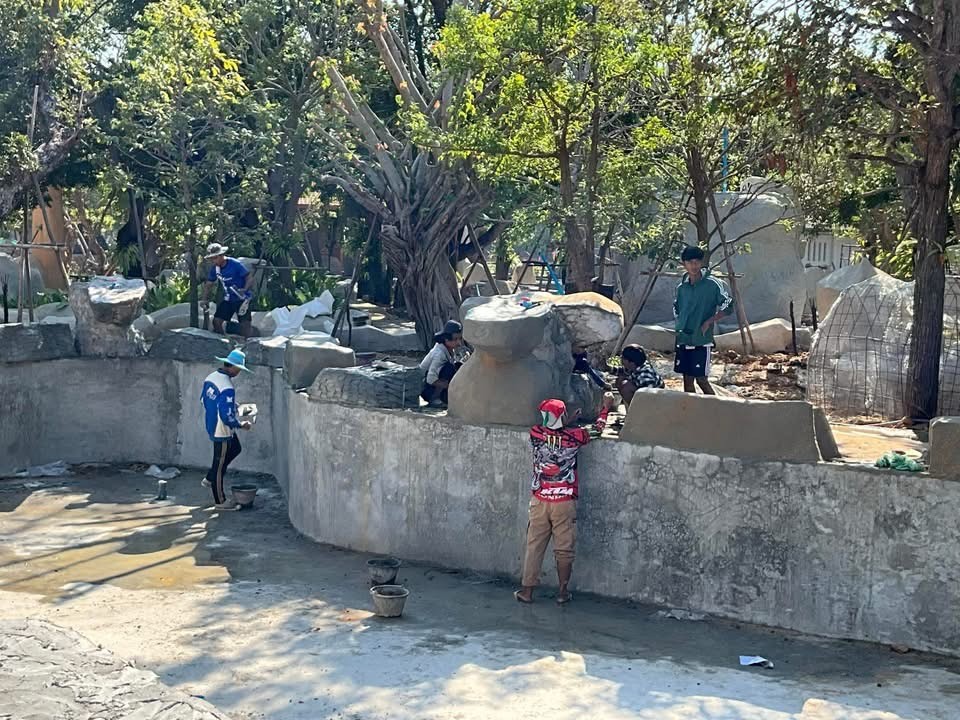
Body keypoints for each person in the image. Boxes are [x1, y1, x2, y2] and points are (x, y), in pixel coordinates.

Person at [515, 394, 616, 605]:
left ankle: (527, 591)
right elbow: (598, 428)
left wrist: (565, 420)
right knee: (564, 548)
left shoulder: (535, 433)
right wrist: (605, 408)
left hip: (540, 499)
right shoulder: (575, 437)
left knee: (534, 546)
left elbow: (551, 430)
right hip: (564, 501)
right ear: (562, 419)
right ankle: (562, 592)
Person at [673, 245, 734, 395]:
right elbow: (677, 309)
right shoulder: (682, 288)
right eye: (690, 262)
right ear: (684, 264)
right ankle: (693, 415)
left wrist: (709, 321)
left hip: (702, 339)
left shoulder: (712, 284)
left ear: (701, 263)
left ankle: (715, 410)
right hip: (684, 339)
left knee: (701, 379)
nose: (694, 266)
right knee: (687, 381)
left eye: (697, 262)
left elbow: (728, 305)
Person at [200, 348, 253, 510]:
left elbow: (204, 400)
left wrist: (233, 406)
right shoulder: (227, 386)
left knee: (235, 448)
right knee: (219, 463)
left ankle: (210, 478)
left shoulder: (211, 378)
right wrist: (241, 424)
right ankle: (220, 501)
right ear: (232, 367)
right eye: (238, 369)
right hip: (221, 429)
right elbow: (226, 417)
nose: (238, 372)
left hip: (212, 422)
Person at [200, 243, 255, 338]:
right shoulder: (215, 269)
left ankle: (249, 344)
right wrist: (204, 299)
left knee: (245, 325)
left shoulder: (235, 264)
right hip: (228, 299)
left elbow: (249, 277)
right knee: (216, 321)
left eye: (215, 258)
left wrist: (245, 289)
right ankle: (225, 341)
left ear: (221, 255)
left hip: (242, 299)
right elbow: (209, 284)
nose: (213, 260)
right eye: (211, 258)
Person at [420, 320, 465, 406]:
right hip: (427, 388)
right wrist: (452, 387)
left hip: (437, 384)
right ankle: (434, 398)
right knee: (449, 368)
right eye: (455, 339)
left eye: (459, 338)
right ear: (446, 339)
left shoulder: (450, 348)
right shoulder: (439, 354)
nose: (459, 343)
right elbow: (430, 379)